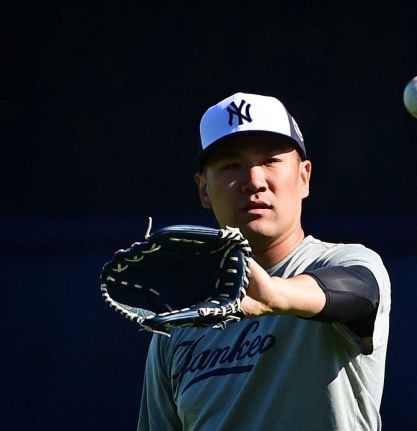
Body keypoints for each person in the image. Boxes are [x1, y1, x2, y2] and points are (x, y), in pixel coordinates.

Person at [137, 92, 391, 431]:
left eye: (270, 160)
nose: (254, 181)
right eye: (231, 166)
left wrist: (274, 295)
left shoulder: (345, 261)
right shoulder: (181, 324)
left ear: (304, 176)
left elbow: (359, 294)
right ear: (203, 190)